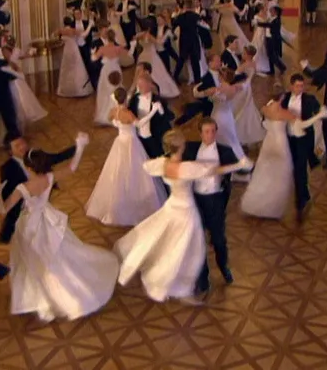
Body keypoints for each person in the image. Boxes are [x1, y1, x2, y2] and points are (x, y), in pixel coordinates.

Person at [0, 144, 117, 322]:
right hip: (49, 221)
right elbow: (72, 168)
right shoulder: (49, 178)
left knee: (35, 261)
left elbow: (3, 210)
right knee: (58, 255)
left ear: (29, 168)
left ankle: (44, 295)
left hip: (30, 227)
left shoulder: (23, 188)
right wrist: (81, 146)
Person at [114, 132, 214, 303]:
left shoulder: (163, 164)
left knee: (171, 243)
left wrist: (162, 158)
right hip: (186, 211)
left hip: (172, 206)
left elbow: (147, 166)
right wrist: (236, 165)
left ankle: (180, 286)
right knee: (191, 249)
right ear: (181, 146)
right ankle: (181, 288)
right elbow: (210, 169)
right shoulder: (185, 167)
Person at [182, 120, 252, 295]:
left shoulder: (225, 151)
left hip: (216, 200)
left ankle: (223, 265)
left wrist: (247, 165)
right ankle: (203, 278)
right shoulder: (190, 149)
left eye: (213, 131)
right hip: (196, 200)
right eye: (206, 132)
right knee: (198, 240)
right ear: (200, 133)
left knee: (219, 239)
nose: (210, 135)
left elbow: (241, 170)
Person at [241, 85, 327, 220]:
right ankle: (272, 205)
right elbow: (303, 124)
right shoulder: (284, 113)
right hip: (280, 144)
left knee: (265, 171)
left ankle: (258, 202)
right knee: (280, 175)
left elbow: (264, 120)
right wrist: (319, 116)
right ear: (282, 97)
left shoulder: (266, 108)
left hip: (268, 143)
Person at [85, 88, 167, 226]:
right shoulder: (127, 113)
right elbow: (140, 123)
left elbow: (111, 120)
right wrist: (153, 110)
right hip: (131, 143)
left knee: (118, 173)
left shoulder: (113, 112)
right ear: (126, 99)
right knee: (135, 173)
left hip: (119, 141)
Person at [282, 73, 322, 222]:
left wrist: (321, 114)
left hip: (303, 139)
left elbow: (318, 111)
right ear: (291, 86)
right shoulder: (285, 98)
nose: (300, 88)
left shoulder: (309, 99)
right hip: (288, 138)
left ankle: (300, 200)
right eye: (297, 85)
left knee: (300, 168)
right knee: (294, 168)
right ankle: (304, 193)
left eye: (302, 85)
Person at [128, 74, 175, 161]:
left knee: (157, 159)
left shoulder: (158, 100)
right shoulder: (135, 99)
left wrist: (161, 111)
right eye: (139, 85)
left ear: (150, 84)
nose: (140, 87)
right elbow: (130, 113)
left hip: (153, 136)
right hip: (139, 137)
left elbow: (167, 117)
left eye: (142, 85)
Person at [232, 46, 266, 148]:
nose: (242, 54)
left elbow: (235, 75)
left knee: (238, 108)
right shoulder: (253, 64)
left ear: (248, 55)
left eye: (244, 53)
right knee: (247, 108)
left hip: (242, 88)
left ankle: (239, 133)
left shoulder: (245, 65)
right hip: (248, 87)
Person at [92, 31, 128, 126]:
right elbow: (129, 54)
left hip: (106, 71)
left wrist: (92, 53)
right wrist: (132, 46)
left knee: (104, 91)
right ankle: (118, 112)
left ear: (106, 38)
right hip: (116, 70)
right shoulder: (118, 48)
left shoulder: (102, 49)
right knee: (117, 89)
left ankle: (106, 114)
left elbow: (94, 59)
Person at [56, 15, 94, 98]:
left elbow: (55, 37)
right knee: (77, 68)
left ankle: (66, 89)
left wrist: (62, 40)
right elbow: (84, 35)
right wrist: (90, 25)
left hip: (66, 50)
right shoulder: (73, 31)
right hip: (73, 49)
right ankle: (78, 88)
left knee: (66, 68)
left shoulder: (60, 31)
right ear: (70, 22)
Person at [172, 1, 209, 84]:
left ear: (185, 7)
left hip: (184, 41)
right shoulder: (196, 16)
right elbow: (205, 26)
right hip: (193, 40)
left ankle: (175, 76)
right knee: (195, 61)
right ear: (192, 7)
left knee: (181, 60)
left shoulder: (180, 17)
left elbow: (174, 26)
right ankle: (197, 80)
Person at [254, 0, 287, 76]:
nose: (270, 11)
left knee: (273, 55)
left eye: (271, 10)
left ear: (275, 11)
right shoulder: (272, 18)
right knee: (269, 55)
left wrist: (258, 23)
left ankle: (282, 67)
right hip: (269, 38)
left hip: (273, 40)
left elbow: (268, 25)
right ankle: (271, 70)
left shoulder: (276, 20)